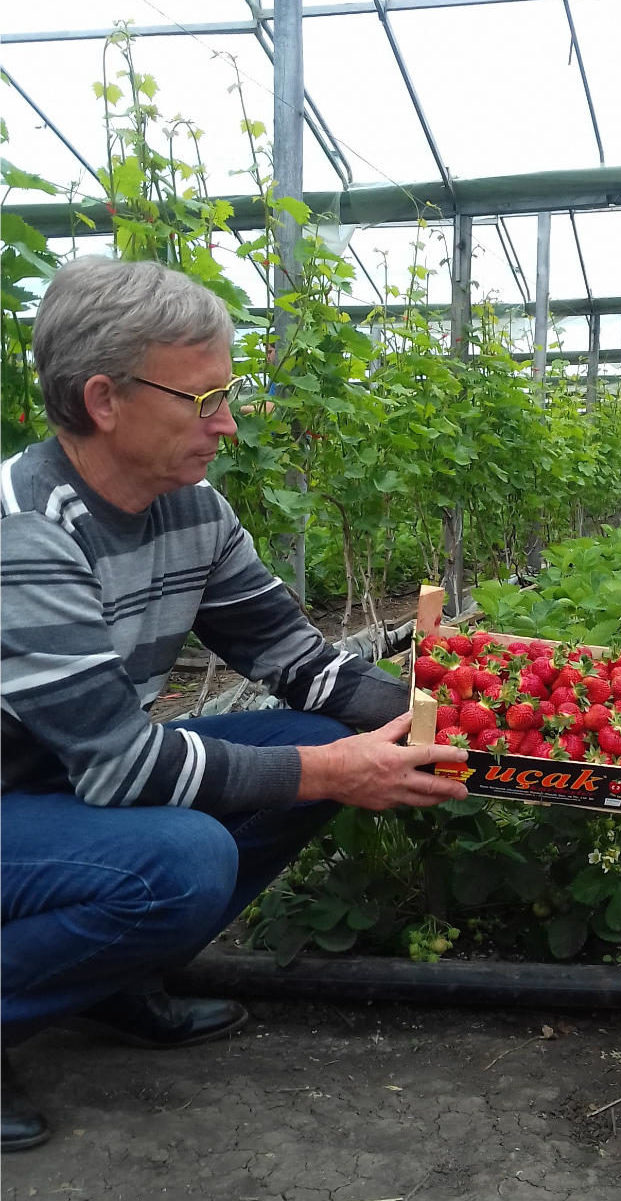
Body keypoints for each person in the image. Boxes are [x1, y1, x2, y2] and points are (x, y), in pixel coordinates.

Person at [0, 256, 469, 1152]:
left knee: (318, 732)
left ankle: (108, 978)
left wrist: (457, 720)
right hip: (24, 798)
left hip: (61, 793)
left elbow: (300, 664)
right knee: (181, 859)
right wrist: (335, 770)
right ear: (105, 399)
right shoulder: (24, 533)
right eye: (203, 398)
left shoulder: (190, 508)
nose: (228, 423)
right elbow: (124, 766)